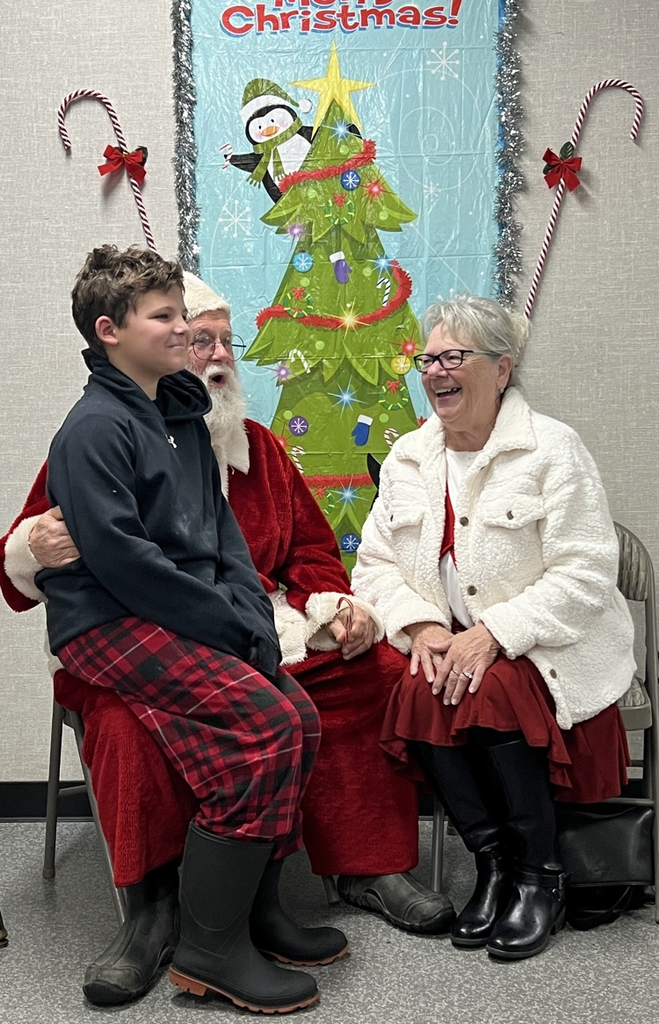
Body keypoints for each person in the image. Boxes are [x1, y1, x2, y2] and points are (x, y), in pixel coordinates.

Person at [1, 273, 454, 1006]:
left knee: (354, 679)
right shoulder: (99, 430)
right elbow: (56, 554)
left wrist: (326, 605)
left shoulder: (256, 449)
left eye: (218, 338)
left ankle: (345, 872)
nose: (206, 349)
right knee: (139, 724)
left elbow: (302, 552)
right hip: (138, 629)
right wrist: (34, 548)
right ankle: (155, 914)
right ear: (124, 334)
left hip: (246, 622)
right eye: (186, 330)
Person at [29, 243, 345, 1014]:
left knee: (297, 720)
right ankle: (207, 951)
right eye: (164, 316)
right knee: (266, 724)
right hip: (107, 621)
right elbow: (124, 563)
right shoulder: (94, 429)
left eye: (185, 313)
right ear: (110, 330)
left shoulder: (179, 414)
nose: (184, 330)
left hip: (171, 611)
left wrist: (250, 615)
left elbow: (221, 537)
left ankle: (254, 913)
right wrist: (223, 625)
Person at [351, 294, 635, 962]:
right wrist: (420, 627)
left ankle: (541, 874)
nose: (434, 371)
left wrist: (495, 631)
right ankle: (494, 865)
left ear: (500, 368)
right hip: (451, 644)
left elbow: (586, 573)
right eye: (427, 358)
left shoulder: (552, 449)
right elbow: (373, 567)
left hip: (549, 644)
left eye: (453, 356)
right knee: (422, 687)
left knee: (489, 689)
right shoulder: (406, 460)